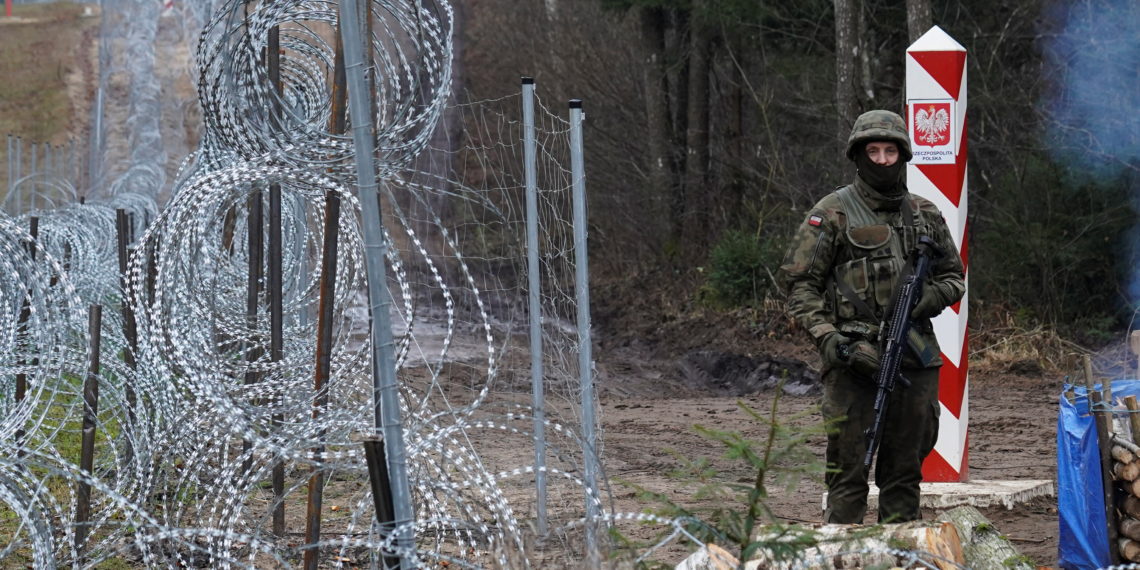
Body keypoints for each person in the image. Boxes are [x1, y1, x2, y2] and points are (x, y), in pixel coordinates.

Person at [777, 110, 965, 524]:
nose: (882, 159)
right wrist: (834, 341)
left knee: (904, 471)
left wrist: (924, 299)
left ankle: (901, 554)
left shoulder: (925, 213)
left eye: (890, 150)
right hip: (852, 359)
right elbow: (799, 287)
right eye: (873, 151)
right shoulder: (832, 212)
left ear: (903, 154)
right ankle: (842, 553)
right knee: (848, 471)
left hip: (914, 356)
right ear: (858, 155)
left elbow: (954, 277)